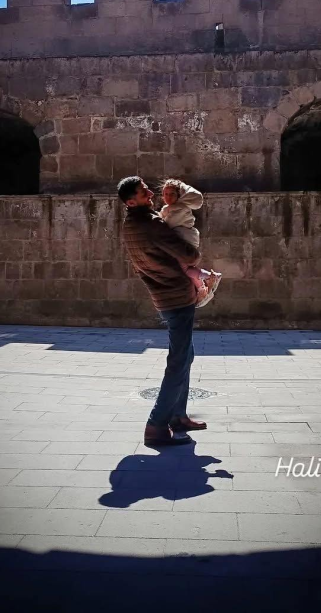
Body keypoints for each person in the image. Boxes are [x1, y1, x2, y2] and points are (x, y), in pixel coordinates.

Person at [118, 175, 213, 447]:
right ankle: (157, 425)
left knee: (186, 354)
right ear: (131, 200)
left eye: (147, 188)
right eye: (143, 191)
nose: (150, 192)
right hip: (176, 297)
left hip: (163, 295)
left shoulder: (130, 224)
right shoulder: (152, 224)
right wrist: (193, 252)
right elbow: (189, 255)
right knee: (178, 362)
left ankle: (178, 416)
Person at [159, 178, 222, 308]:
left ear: (179, 195)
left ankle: (207, 279)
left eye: (172, 194)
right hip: (183, 240)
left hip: (184, 240)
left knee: (183, 269)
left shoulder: (180, 208)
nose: (168, 197)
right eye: (166, 194)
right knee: (186, 269)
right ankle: (203, 285)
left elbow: (168, 224)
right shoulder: (169, 208)